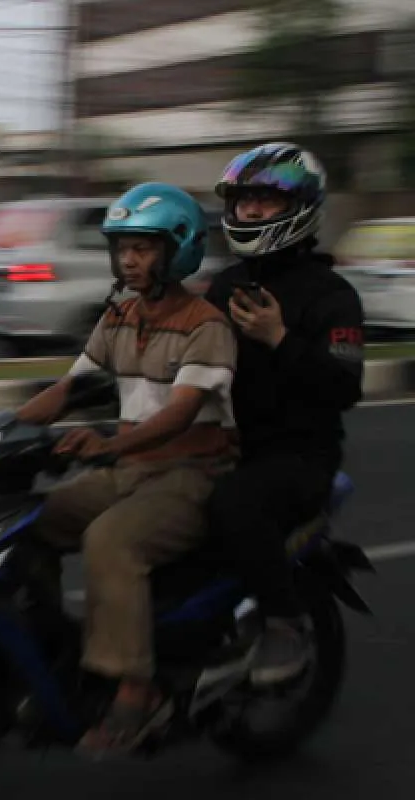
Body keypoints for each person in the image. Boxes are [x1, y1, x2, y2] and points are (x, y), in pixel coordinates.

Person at [15, 182, 238, 756]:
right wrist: (0, 430)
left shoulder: (205, 325)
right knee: (23, 522)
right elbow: (70, 389)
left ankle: (138, 695)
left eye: (143, 248)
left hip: (189, 475)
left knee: (109, 540)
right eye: (123, 249)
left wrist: (111, 444)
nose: (130, 260)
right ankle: (56, 654)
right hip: (130, 468)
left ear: (178, 249)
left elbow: (183, 414)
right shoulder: (119, 317)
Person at [203, 142, 364, 686]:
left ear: (302, 207)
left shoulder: (332, 296)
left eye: (266, 200)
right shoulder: (225, 285)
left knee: (235, 501)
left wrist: (278, 338)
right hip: (227, 443)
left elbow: (343, 386)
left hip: (297, 455)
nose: (250, 210)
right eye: (245, 199)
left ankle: (284, 625)